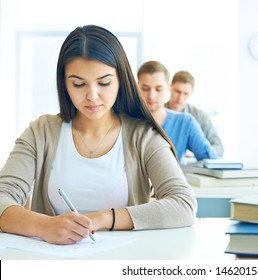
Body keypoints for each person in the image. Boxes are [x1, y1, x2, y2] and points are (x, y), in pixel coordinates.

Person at [0, 25, 197, 245]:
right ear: (64, 84)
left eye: (104, 83)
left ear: (121, 80)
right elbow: (2, 197)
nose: (92, 96)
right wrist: (44, 226)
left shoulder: (143, 137)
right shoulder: (41, 132)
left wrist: (103, 218)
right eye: (78, 84)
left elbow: (184, 204)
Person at [137, 61, 217, 164]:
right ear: (137, 88)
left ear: (168, 88)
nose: (152, 95)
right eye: (145, 89)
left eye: (159, 89)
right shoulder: (125, 122)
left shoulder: (186, 122)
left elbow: (210, 161)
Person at [166, 71, 224, 157]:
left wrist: (195, 153)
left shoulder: (200, 116)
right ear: (170, 87)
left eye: (186, 94)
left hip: (192, 166)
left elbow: (219, 148)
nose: (180, 98)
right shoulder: (158, 113)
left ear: (192, 92)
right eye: (177, 92)